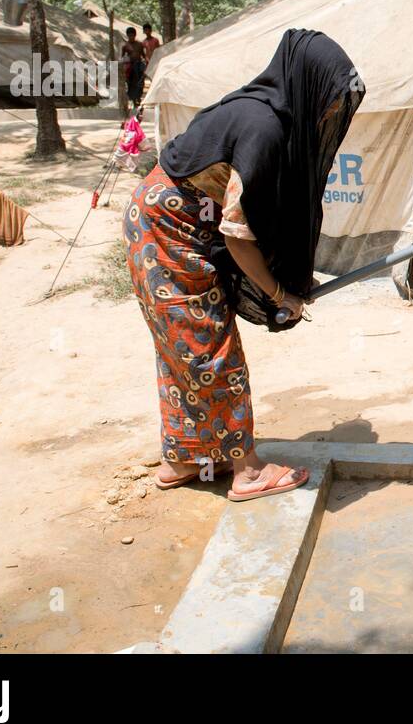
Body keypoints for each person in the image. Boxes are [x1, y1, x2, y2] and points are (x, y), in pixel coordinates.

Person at [123, 29, 364, 501]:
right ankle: (248, 471)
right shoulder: (265, 129)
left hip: (157, 218)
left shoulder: (260, 108)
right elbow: (238, 237)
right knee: (212, 347)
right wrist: (280, 294)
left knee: (181, 347)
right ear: (308, 84)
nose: (334, 111)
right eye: (332, 98)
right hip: (169, 230)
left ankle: (182, 458)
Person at [120, 27, 147, 107]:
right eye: (129, 35)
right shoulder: (125, 46)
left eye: (132, 35)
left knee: (140, 82)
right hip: (130, 66)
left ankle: (138, 98)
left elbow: (143, 55)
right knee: (130, 83)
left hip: (138, 65)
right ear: (127, 35)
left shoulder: (139, 44)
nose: (131, 37)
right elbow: (122, 57)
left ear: (135, 35)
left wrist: (145, 64)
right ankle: (132, 99)